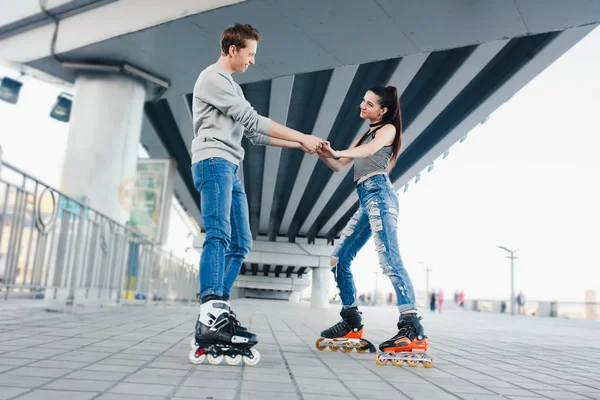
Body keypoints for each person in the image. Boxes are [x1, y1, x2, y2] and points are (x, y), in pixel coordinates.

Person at [189, 23, 323, 365]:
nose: (252, 61)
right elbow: (252, 119)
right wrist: (303, 134)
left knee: (241, 243)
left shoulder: (231, 86)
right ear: (232, 50)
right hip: (213, 160)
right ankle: (211, 313)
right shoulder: (212, 79)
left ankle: (218, 307)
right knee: (218, 235)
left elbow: (255, 134)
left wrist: (300, 144)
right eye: (249, 54)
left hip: (230, 167)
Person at [316, 85, 428, 357]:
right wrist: (324, 153)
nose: (362, 106)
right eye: (363, 102)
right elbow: (340, 165)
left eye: (368, 103)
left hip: (379, 195)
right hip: (366, 199)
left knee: (389, 259)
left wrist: (338, 151)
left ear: (383, 110)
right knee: (338, 260)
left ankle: (411, 326)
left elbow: (368, 153)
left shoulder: (387, 130)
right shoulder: (365, 133)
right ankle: (352, 321)